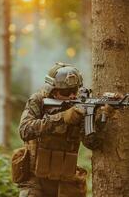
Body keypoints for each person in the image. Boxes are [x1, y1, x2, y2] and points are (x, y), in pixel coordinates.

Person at [13, 62, 100, 197]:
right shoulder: (38, 101)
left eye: (75, 90)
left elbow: (91, 143)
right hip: (35, 178)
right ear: (52, 91)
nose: (72, 96)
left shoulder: (80, 106)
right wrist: (62, 117)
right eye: (66, 92)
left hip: (65, 179)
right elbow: (24, 130)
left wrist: (100, 117)